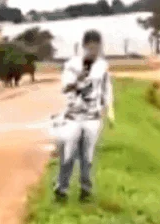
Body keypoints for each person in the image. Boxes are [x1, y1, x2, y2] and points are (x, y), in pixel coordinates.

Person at [54, 29, 116, 203]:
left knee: (87, 158)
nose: (94, 52)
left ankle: (85, 190)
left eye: (97, 48)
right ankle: (61, 189)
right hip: (73, 116)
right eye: (90, 48)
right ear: (84, 47)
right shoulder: (72, 65)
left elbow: (106, 90)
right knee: (68, 155)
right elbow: (65, 88)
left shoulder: (103, 66)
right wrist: (78, 79)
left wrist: (110, 112)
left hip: (92, 117)